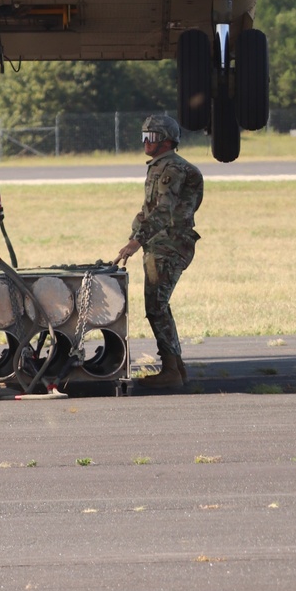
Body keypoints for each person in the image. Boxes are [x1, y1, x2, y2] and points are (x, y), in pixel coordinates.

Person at [114, 112, 203, 391]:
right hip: (161, 243)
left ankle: (170, 370)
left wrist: (137, 241)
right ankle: (176, 367)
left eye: (151, 137)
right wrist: (135, 235)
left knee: (156, 307)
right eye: (144, 136)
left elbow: (164, 210)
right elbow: (149, 209)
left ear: (166, 141)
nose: (145, 142)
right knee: (159, 306)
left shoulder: (172, 169)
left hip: (168, 245)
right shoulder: (161, 166)